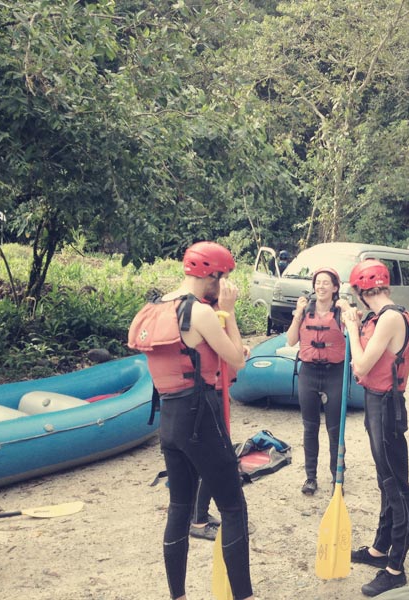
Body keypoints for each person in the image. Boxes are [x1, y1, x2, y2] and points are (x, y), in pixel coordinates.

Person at [127, 241, 254, 600]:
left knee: (179, 508)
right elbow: (236, 358)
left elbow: (198, 353)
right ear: (211, 275)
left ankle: (178, 596)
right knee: (233, 507)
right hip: (201, 417)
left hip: (169, 421)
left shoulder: (156, 306)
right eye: (223, 278)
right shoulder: (199, 312)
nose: (224, 286)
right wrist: (229, 312)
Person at [344, 259, 409, 597]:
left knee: (396, 485)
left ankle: (396, 568)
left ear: (361, 291)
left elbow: (362, 366)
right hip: (376, 403)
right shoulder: (383, 316)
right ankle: (380, 548)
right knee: (385, 480)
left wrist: (352, 329)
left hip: (387, 406)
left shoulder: (392, 318)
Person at [285, 267, 347, 496]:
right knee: (310, 427)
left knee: (334, 429)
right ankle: (310, 477)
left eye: (326, 283)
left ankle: (337, 478)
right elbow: (291, 340)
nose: (321, 286)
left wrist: (349, 311)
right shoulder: (305, 311)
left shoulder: (341, 312)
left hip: (334, 373)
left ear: (335, 288)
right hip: (309, 372)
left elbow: (357, 334)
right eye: (318, 282)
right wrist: (298, 314)